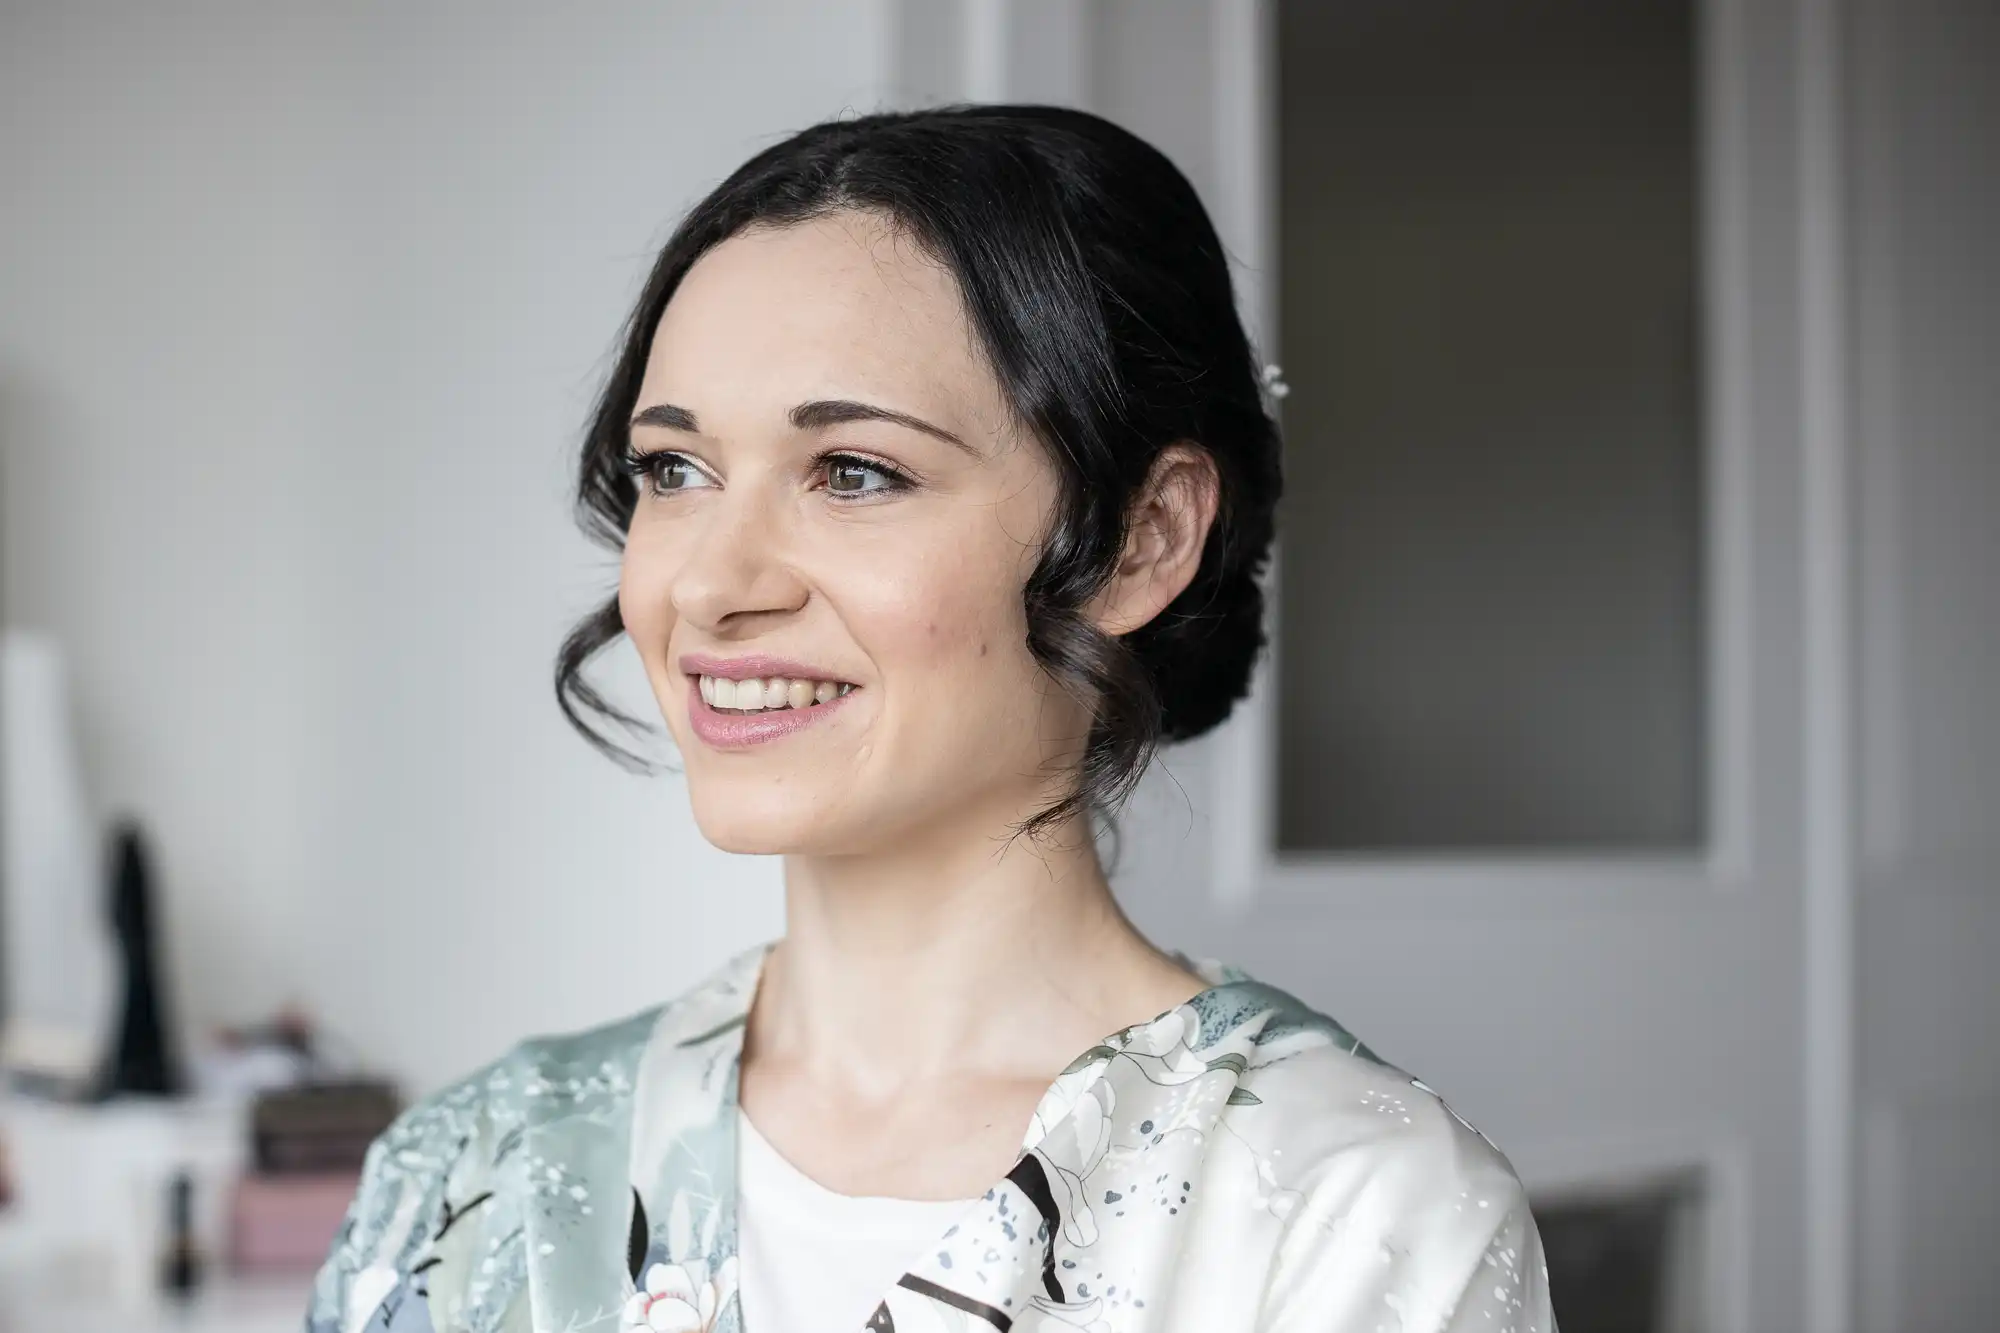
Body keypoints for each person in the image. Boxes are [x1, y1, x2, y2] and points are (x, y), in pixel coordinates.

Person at [306, 104, 1556, 1333]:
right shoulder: (468, 1170)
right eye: (673, 470)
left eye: (853, 473)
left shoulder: (1343, 1216)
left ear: (1143, 537)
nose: (710, 586)